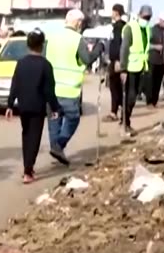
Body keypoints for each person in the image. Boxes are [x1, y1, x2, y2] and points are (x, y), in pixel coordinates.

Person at [6, 30, 60, 184]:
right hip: (37, 107)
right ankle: (27, 171)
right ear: (42, 45)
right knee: (34, 138)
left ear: (28, 45)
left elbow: (15, 84)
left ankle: (27, 166)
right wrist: (55, 108)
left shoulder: (21, 63)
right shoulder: (45, 65)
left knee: (26, 135)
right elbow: (49, 90)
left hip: (23, 106)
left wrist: (10, 105)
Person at [44, 9, 97, 166]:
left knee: (54, 120)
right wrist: (97, 50)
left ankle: (56, 148)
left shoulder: (52, 38)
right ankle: (59, 145)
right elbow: (86, 59)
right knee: (73, 119)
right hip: (69, 90)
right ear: (78, 23)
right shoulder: (77, 39)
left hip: (52, 89)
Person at [119, 6, 153, 135]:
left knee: (133, 97)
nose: (146, 20)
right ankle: (124, 122)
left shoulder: (147, 29)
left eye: (148, 18)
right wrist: (123, 69)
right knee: (130, 97)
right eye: (144, 17)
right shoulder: (130, 28)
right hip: (130, 68)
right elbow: (124, 49)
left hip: (141, 67)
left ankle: (126, 121)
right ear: (139, 15)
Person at [105, 4, 126, 120]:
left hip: (116, 61)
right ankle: (118, 109)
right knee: (115, 86)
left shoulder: (119, 27)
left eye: (113, 12)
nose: (111, 14)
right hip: (114, 60)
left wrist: (117, 60)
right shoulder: (117, 26)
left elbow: (118, 44)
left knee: (115, 86)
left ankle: (114, 112)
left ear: (116, 12)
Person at [146, 15, 164, 106]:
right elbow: (147, 43)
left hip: (162, 60)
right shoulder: (152, 30)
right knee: (151, 80)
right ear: (160, 20)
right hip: (152, 58)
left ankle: (154, 101)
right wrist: (155, 47)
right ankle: (149, 100)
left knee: (158, 82)